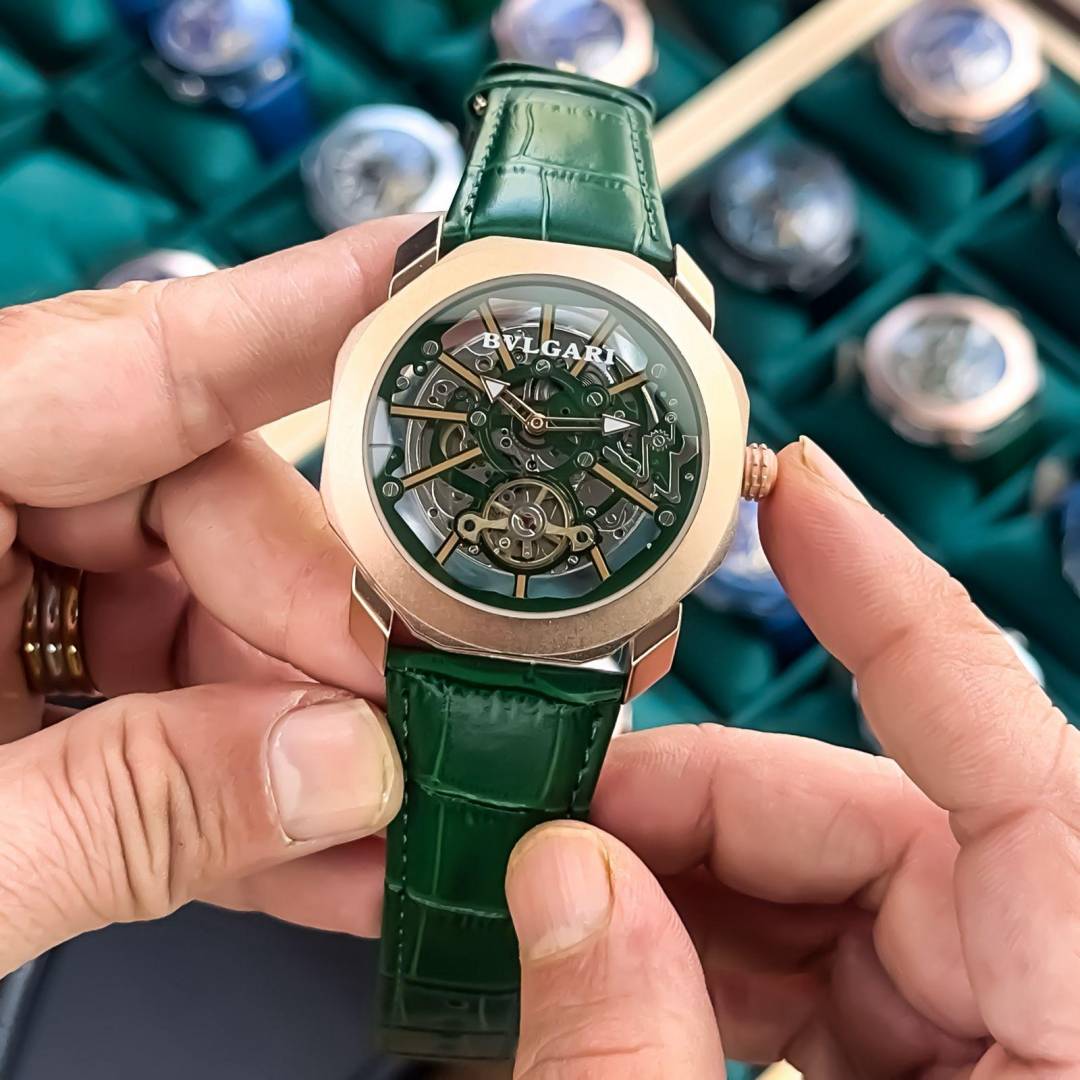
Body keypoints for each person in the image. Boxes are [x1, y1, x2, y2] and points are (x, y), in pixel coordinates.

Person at [0, 218, 1076, 1079]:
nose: (531, 436)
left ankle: (454, 1022)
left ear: (725, 473)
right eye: (513, 422)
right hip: (440, 592)